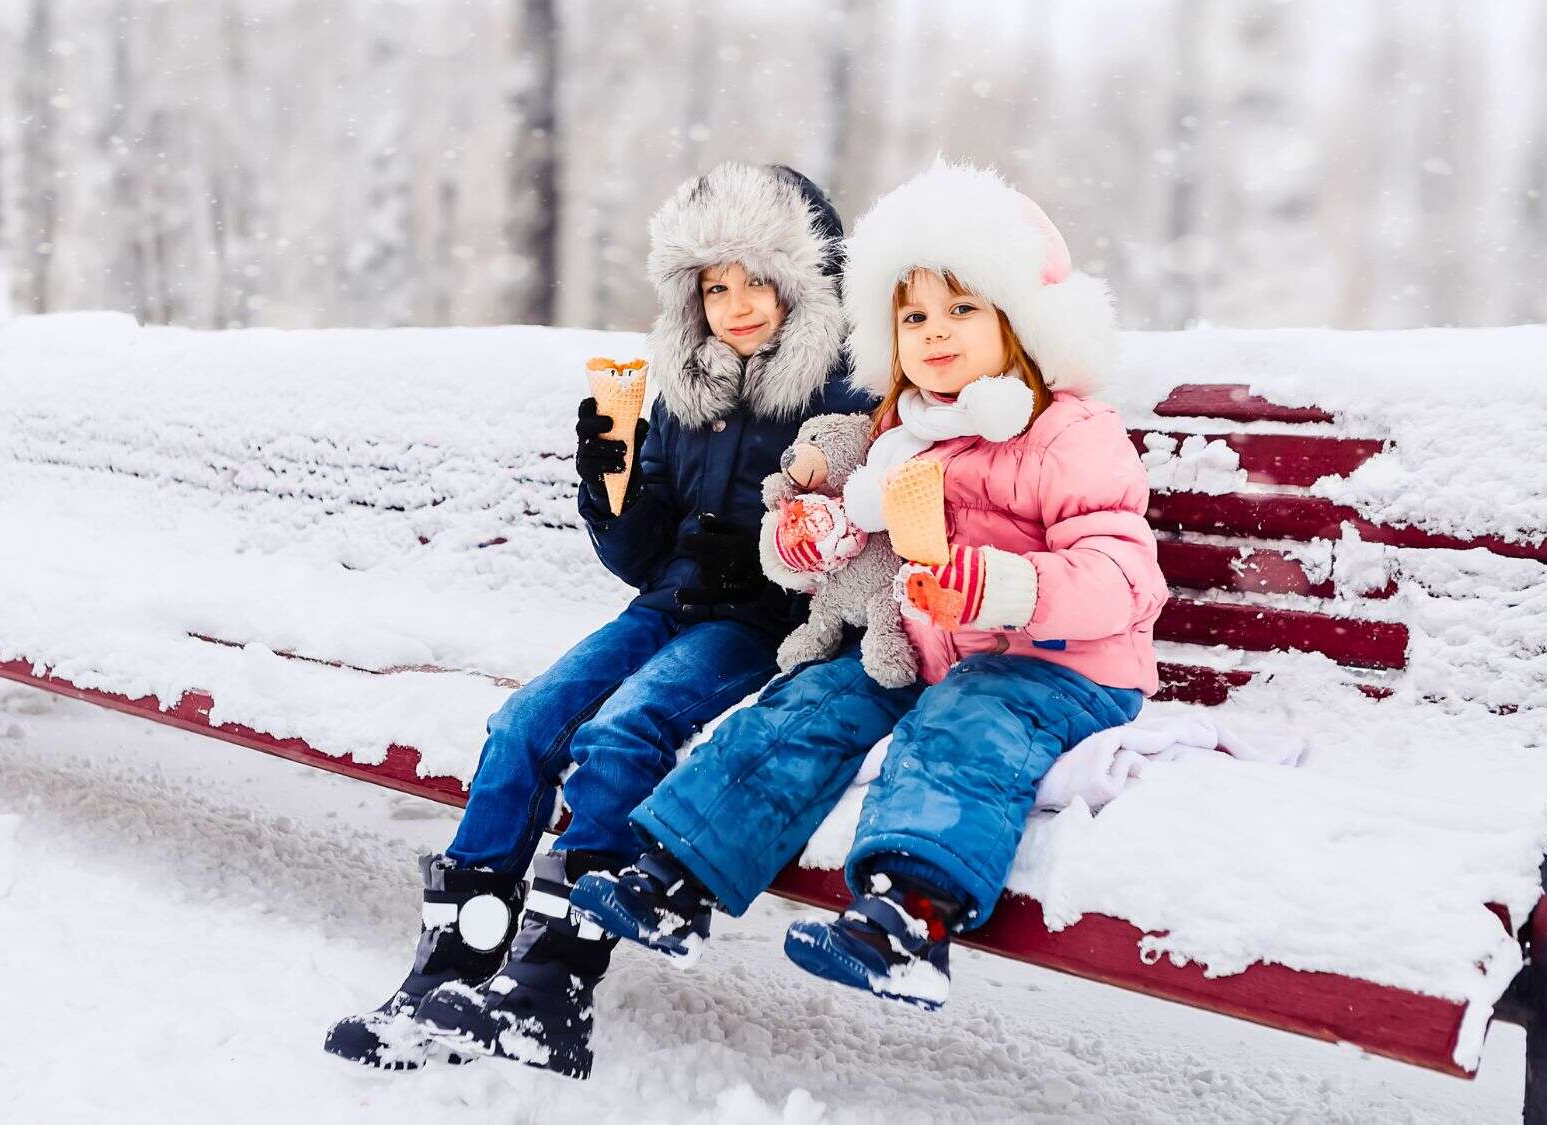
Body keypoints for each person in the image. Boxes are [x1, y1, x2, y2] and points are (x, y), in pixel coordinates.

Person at [573, 159, 1168, 1009]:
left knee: (964, 721)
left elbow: (1121, 577)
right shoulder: (904, 429)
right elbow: (860, 522)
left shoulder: (1068, 434)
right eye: (914, 314)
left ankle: (912, 919)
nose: (935, 331)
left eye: (964, 308)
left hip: (1059, 665)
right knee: (808, 704)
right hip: (924, 641)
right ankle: (677, 876)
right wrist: (815, 533)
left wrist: (1003, 586)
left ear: (1023, 322)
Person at [323, 162, 874, 1077]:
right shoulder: (686, 384)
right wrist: (610, 488)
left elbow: (848, 531)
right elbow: (639, 556)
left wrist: (780, 540)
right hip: (668, 600)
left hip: (759, 622)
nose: (735, 305)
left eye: (756, 281)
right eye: (714, 286)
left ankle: (550, 987)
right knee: (526, 723)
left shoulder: (842, 388)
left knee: (623, 731)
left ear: (804, 279)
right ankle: (453, 969)